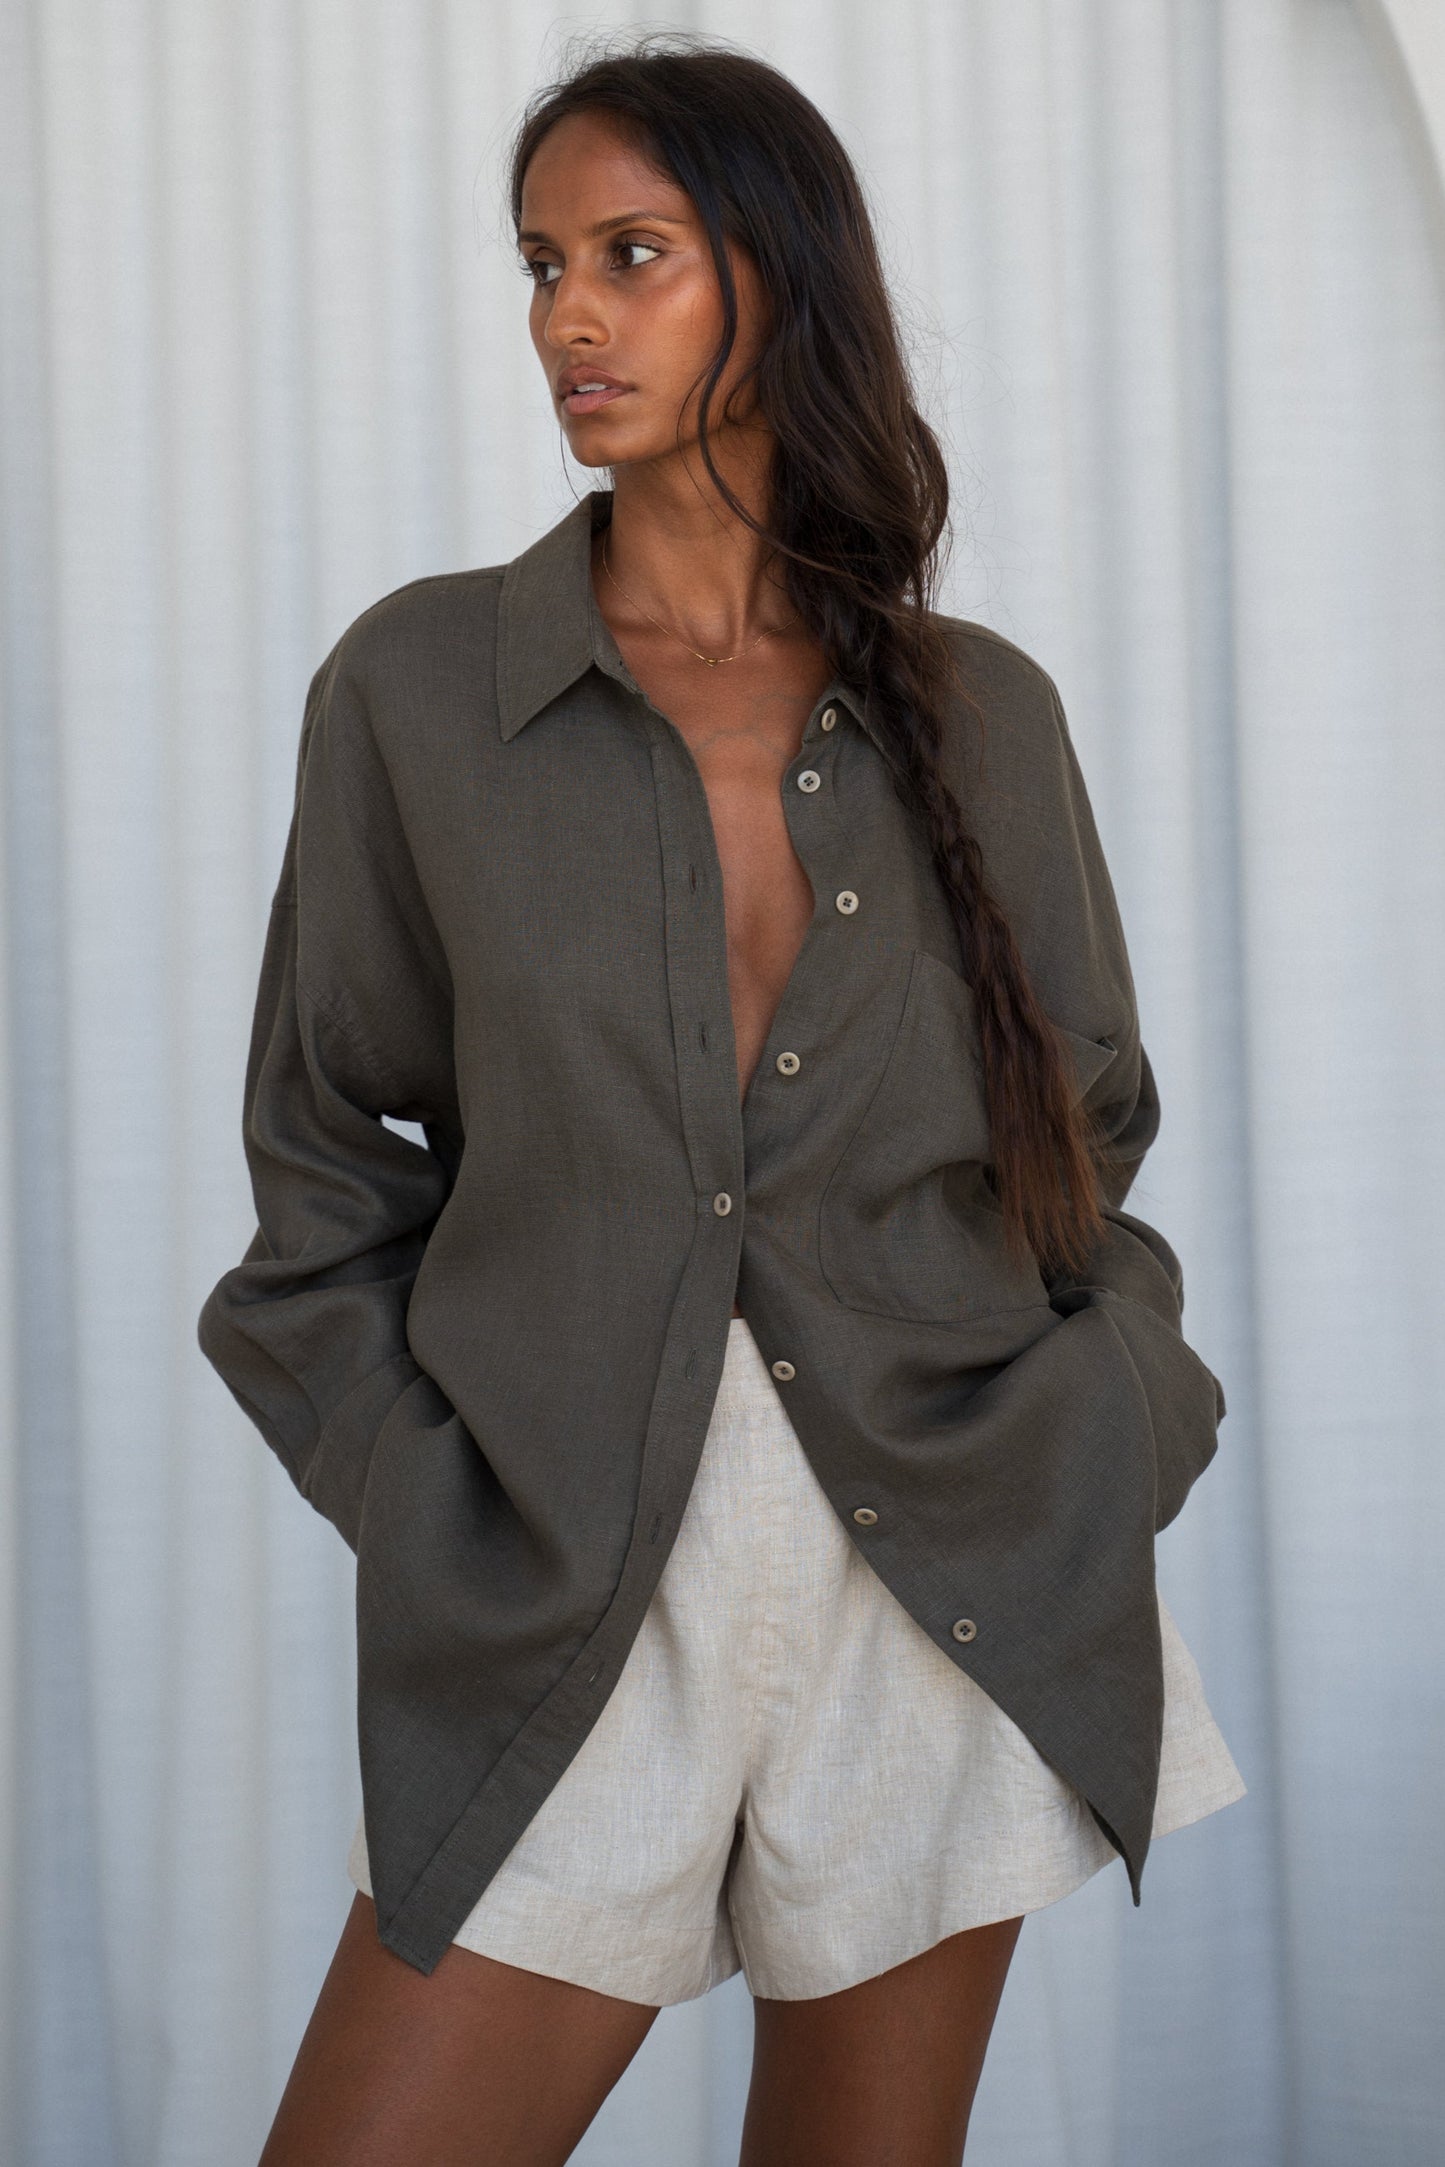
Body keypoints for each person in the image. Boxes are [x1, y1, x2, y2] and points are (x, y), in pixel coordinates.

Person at [199, 32, 1246, 2166]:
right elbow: (321, 1165)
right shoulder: (421, 691)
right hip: (572, 1585)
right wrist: (436, 1498)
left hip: (942, 1575)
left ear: (774, 279)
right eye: (542, 263)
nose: (565, 316)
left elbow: (1092, 1130)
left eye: (631, 255)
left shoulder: (981, 715)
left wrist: (1114, 1413)